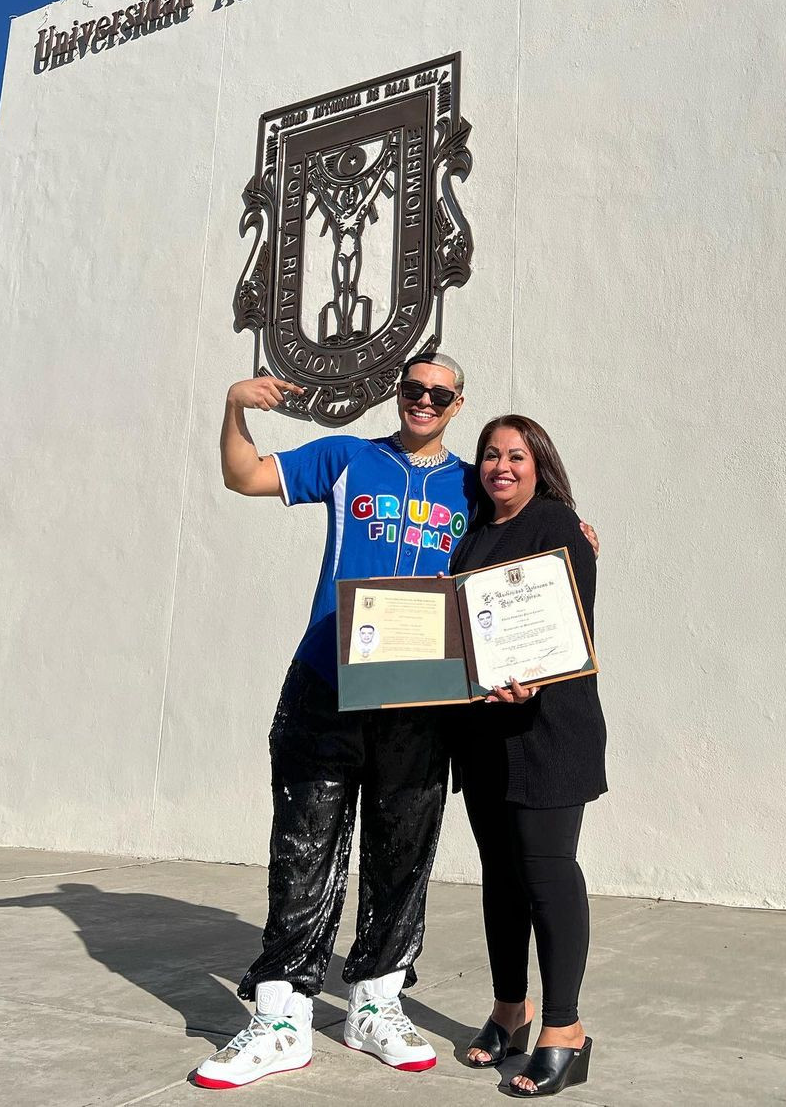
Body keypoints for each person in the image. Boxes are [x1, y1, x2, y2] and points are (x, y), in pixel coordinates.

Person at [194, 353, 475, 1090]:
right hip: (328, 679)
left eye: (438, 393)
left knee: (402, 852)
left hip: (422, 698)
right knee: (303, 848)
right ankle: (281, 1017)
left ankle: (376, 1003)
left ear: (457, 404)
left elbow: (530, 535)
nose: (423, 400)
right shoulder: (348, 457)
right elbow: (243, 475)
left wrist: (577, 532)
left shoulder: (473, 484)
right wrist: (234, 406)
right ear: (397, 393)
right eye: (412, 388)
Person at [450, 415, 607, 1099]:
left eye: (516, 455)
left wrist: (535, 677)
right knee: (501, 877)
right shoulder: (473, 537)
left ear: (539, 464)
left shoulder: (558, 526)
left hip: (549, 732)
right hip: (484, 735)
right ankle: (510, 1011)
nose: (501, 466)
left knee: (546, 872)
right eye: (490, 455)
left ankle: (565, 1029)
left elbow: (571, 626)